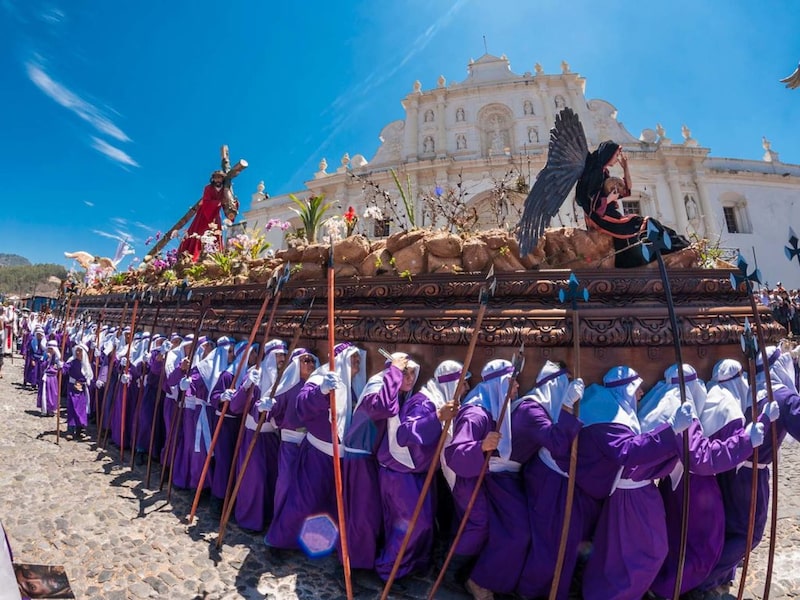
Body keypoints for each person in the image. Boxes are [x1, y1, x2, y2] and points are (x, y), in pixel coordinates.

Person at [639, 363, 771, 598]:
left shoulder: (667, 403)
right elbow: (701, 457)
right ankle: (671, 589)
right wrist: (746, 440)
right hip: (696, 487)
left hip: (679, 484)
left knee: (684, 541)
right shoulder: (683, 410)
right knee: (703, 546)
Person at [577, 365, 692, 600]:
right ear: (625, 390)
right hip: (629, 498)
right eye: (636, 389)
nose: (640, 394)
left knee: (625, 554)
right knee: (647, 552)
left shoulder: (616, 409)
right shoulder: (607, 417)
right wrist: (671, 430)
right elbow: (629, 451)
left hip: (637, 494)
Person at [697, 348, 789, 595]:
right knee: (750, 534)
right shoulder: (764, 397)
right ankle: (706, 581)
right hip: (749, 474)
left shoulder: (750, 395)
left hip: (737, 472)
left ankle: (721, 578)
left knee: (735, 529)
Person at [266, 342, 366, 552]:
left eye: (358, 358)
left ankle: (316, 542)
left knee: (329, 505)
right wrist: (321, 392)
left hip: (341, 456)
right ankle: (279, 542)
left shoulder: (352, 385)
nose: (357, 362)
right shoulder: (321, 379)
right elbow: (302, 405)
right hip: (317, 454)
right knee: (301, 502)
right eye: (353, 358)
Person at [444, 359, 528, 600]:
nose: (517, 388)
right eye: (512, 383)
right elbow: (455, 453)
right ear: (500, 384)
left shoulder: (494, 404)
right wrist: (481, 446)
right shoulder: (476, 413)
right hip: (471, 480)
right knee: (478, 527)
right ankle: (454, 575)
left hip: (482, 477)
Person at [372, 359, 459, 581]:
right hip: (402, 475)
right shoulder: (425, 404)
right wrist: (438, 417)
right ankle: (388, 570)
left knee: (424, 523)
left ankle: (411, 565)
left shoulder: (430, 399)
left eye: (413, 374)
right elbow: (405, 435)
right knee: (411, 527)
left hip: (417, 474)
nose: (466, 388)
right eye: (463, 384)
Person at [515, 361, 585, 600]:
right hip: (542, 478)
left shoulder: (542, 408)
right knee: (546, 540)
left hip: (555, 477)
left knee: (566, 538)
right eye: (563, 384)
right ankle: (530, 591)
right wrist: (566, 405)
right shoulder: (532, 409)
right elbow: (556, 444)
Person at [577, 142, 689, 268]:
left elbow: (626, 189)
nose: (617, 158)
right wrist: (609, 199)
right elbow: (592, 202)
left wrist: (625, 168)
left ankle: (669, 244)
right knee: (642, 222)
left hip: (608, 213)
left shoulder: (604, 173)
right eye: (616, 155)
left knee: (642, 223)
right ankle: (667, 245)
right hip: (602, 217)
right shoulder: (596, 172)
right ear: (609, 155)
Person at [262, 348, 319, 544]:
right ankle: (278, 529)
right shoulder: (288, 387)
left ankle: (297, 532)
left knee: (304, 490)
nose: (310, 365)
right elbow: (272, 407)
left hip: (311, 445)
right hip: (290, 442)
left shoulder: (314, 387)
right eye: (305, 361)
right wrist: (266, 407)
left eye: (312, 361)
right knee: (285, 486)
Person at [178, 171, 227, 262]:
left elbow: (228, 203)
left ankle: (214, 255)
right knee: (200, 233)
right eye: (216, 177)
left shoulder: (225, 190)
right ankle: (195, 255)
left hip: (215, 215)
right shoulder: (208, 188)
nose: (217, 179)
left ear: (222, 179)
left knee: (216, 233)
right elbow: (206, 201)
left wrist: (234, 204)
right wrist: (218, 203)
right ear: (213, 179)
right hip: (204, 214)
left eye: (219, 177)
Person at [63, 343, 94, 440]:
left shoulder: (86, 364)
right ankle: (71, 430)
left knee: (81, 409)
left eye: (80, 351)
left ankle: (80, 430)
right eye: (77, 350)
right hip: (73, 387)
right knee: (72, 408)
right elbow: (65, 369)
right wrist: (61, 366)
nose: (77, 352)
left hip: (82, 390)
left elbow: (89, 376)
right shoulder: (72, 361)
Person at [37, 340, 61, 417]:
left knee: (52, 394)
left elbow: (57, 368)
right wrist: (47, 360)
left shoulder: (57, 358)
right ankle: (44, 409)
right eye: (49, 348)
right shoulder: (45, 356)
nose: (50, 350)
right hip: (45, 377)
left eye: (51, 349)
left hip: (52, 378)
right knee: (44, 393)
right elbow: (42, 366)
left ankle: (51, 409)